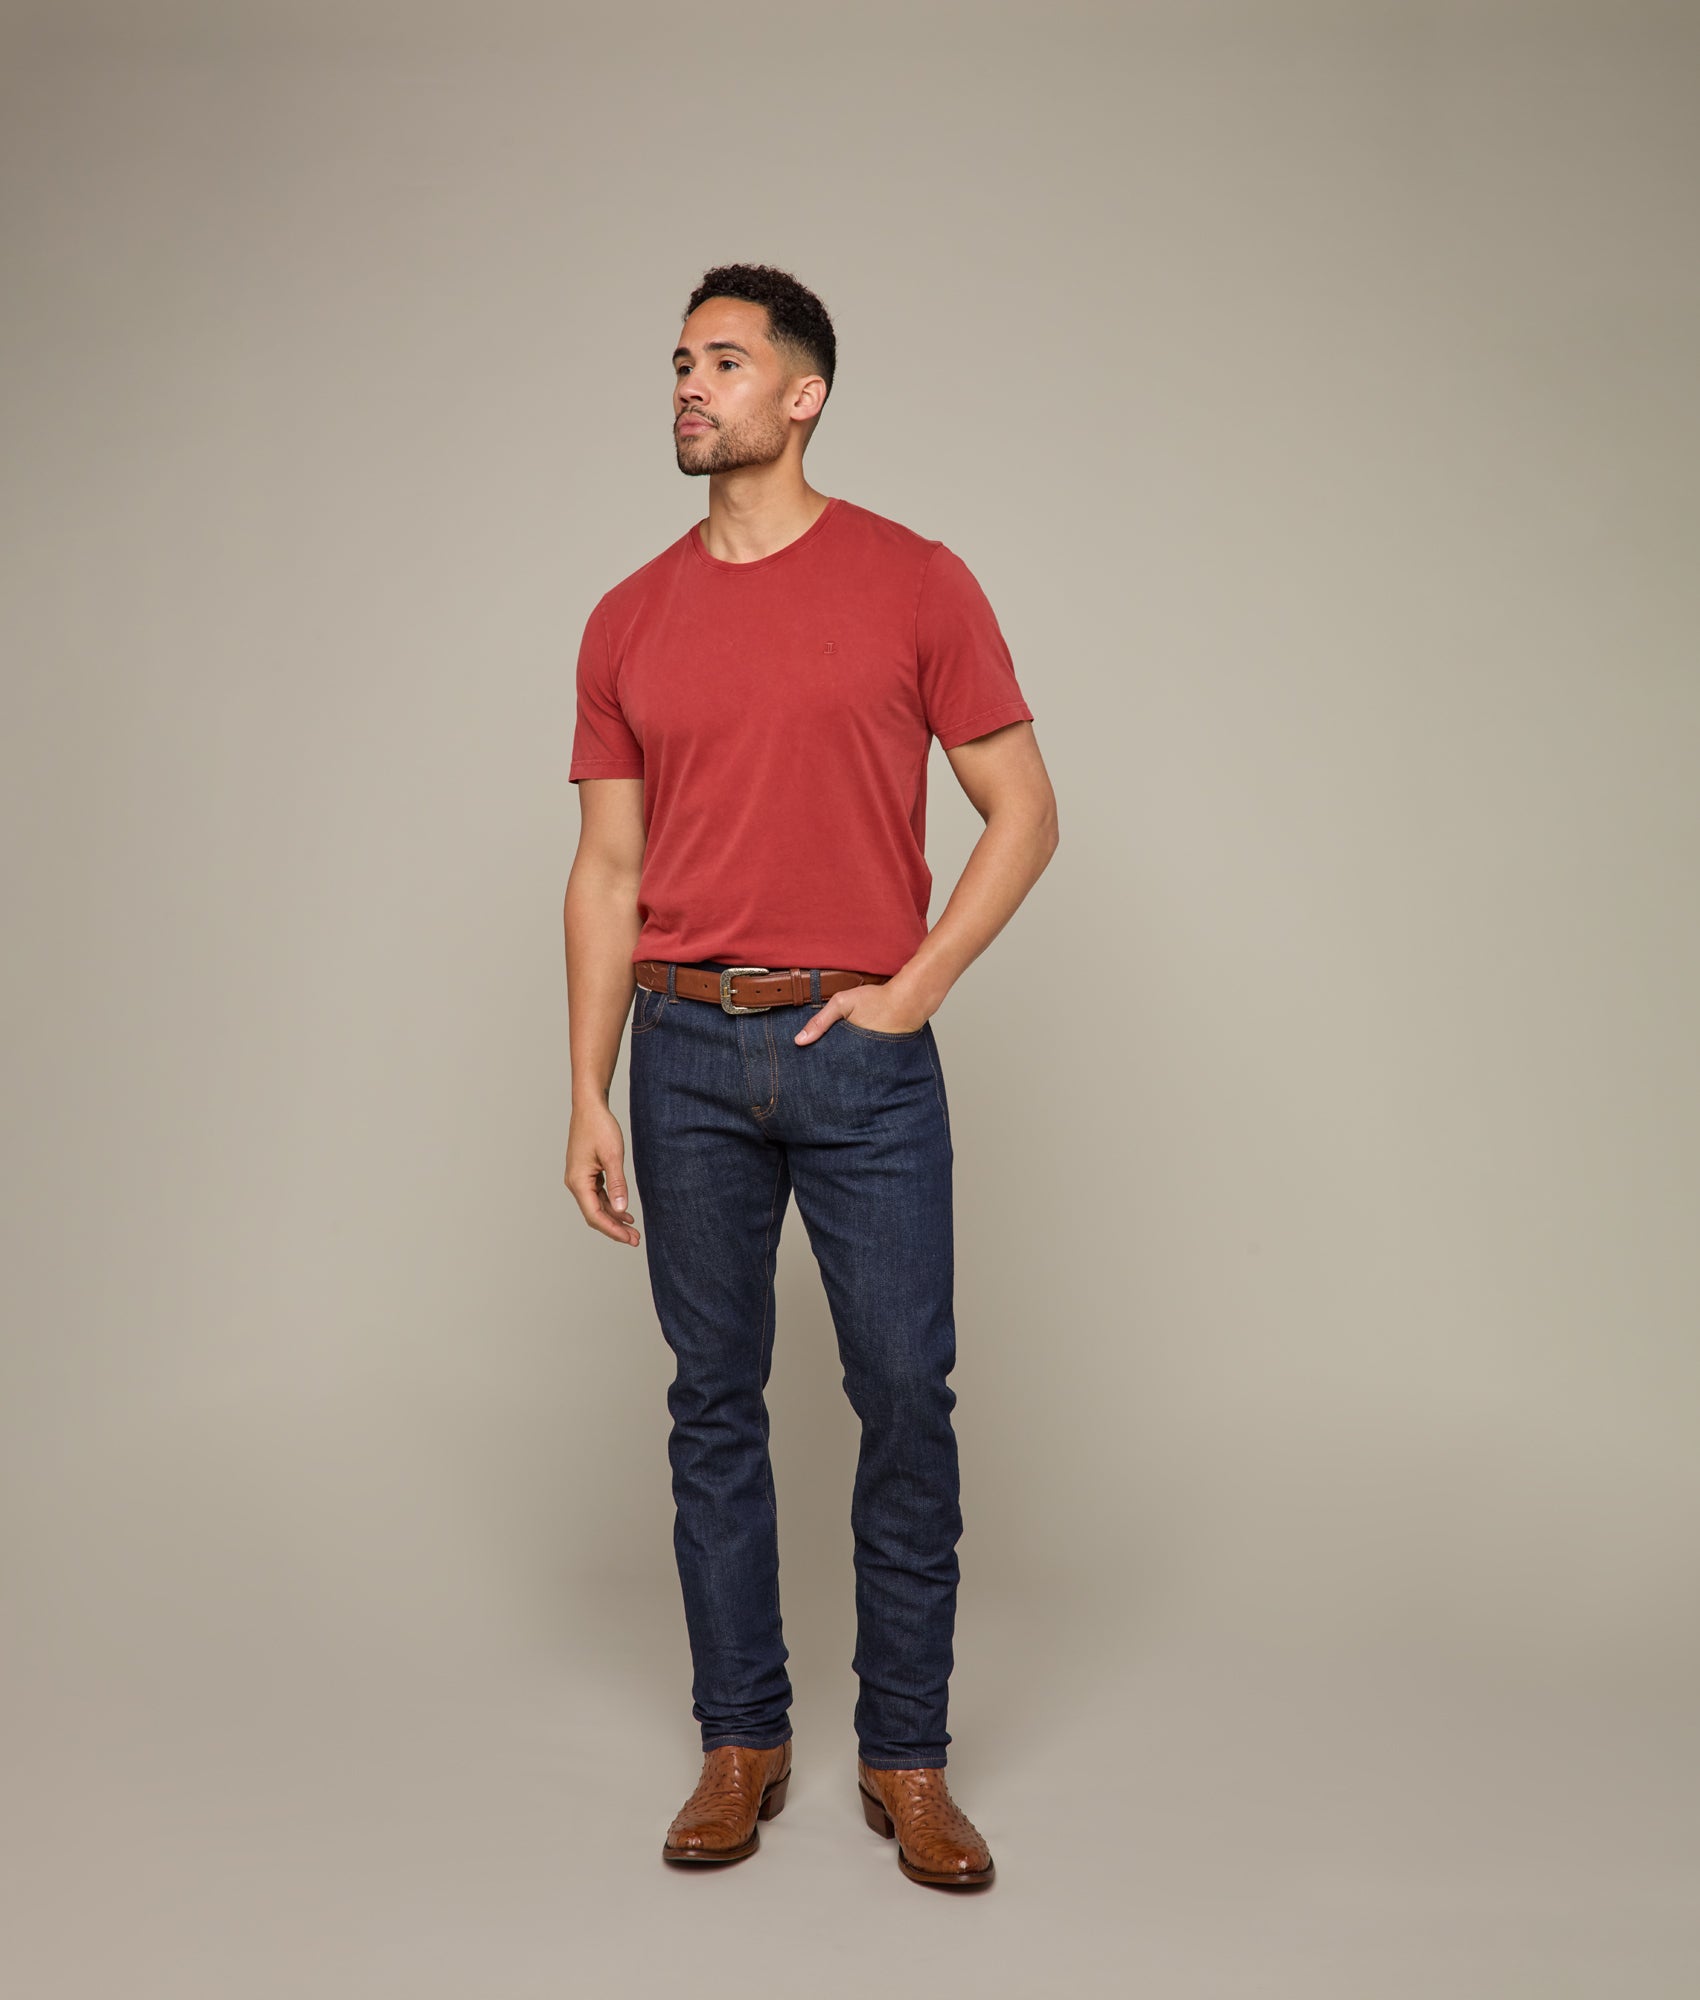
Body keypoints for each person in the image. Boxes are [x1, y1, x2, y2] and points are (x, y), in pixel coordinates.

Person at [562, 262, 1058, 1889]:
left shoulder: (916, 582)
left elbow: (1025, 812)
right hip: (684, 1053)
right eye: (679, 361)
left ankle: (907, 1756)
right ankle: (742, 1739)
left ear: (804, 394)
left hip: (861, 1056)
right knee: (712, 1404)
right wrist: (587, 1087)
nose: (689, 386)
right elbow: (607, 869)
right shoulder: (627, 616)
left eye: (723, 361)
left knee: (905, 1396)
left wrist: (917, 988)